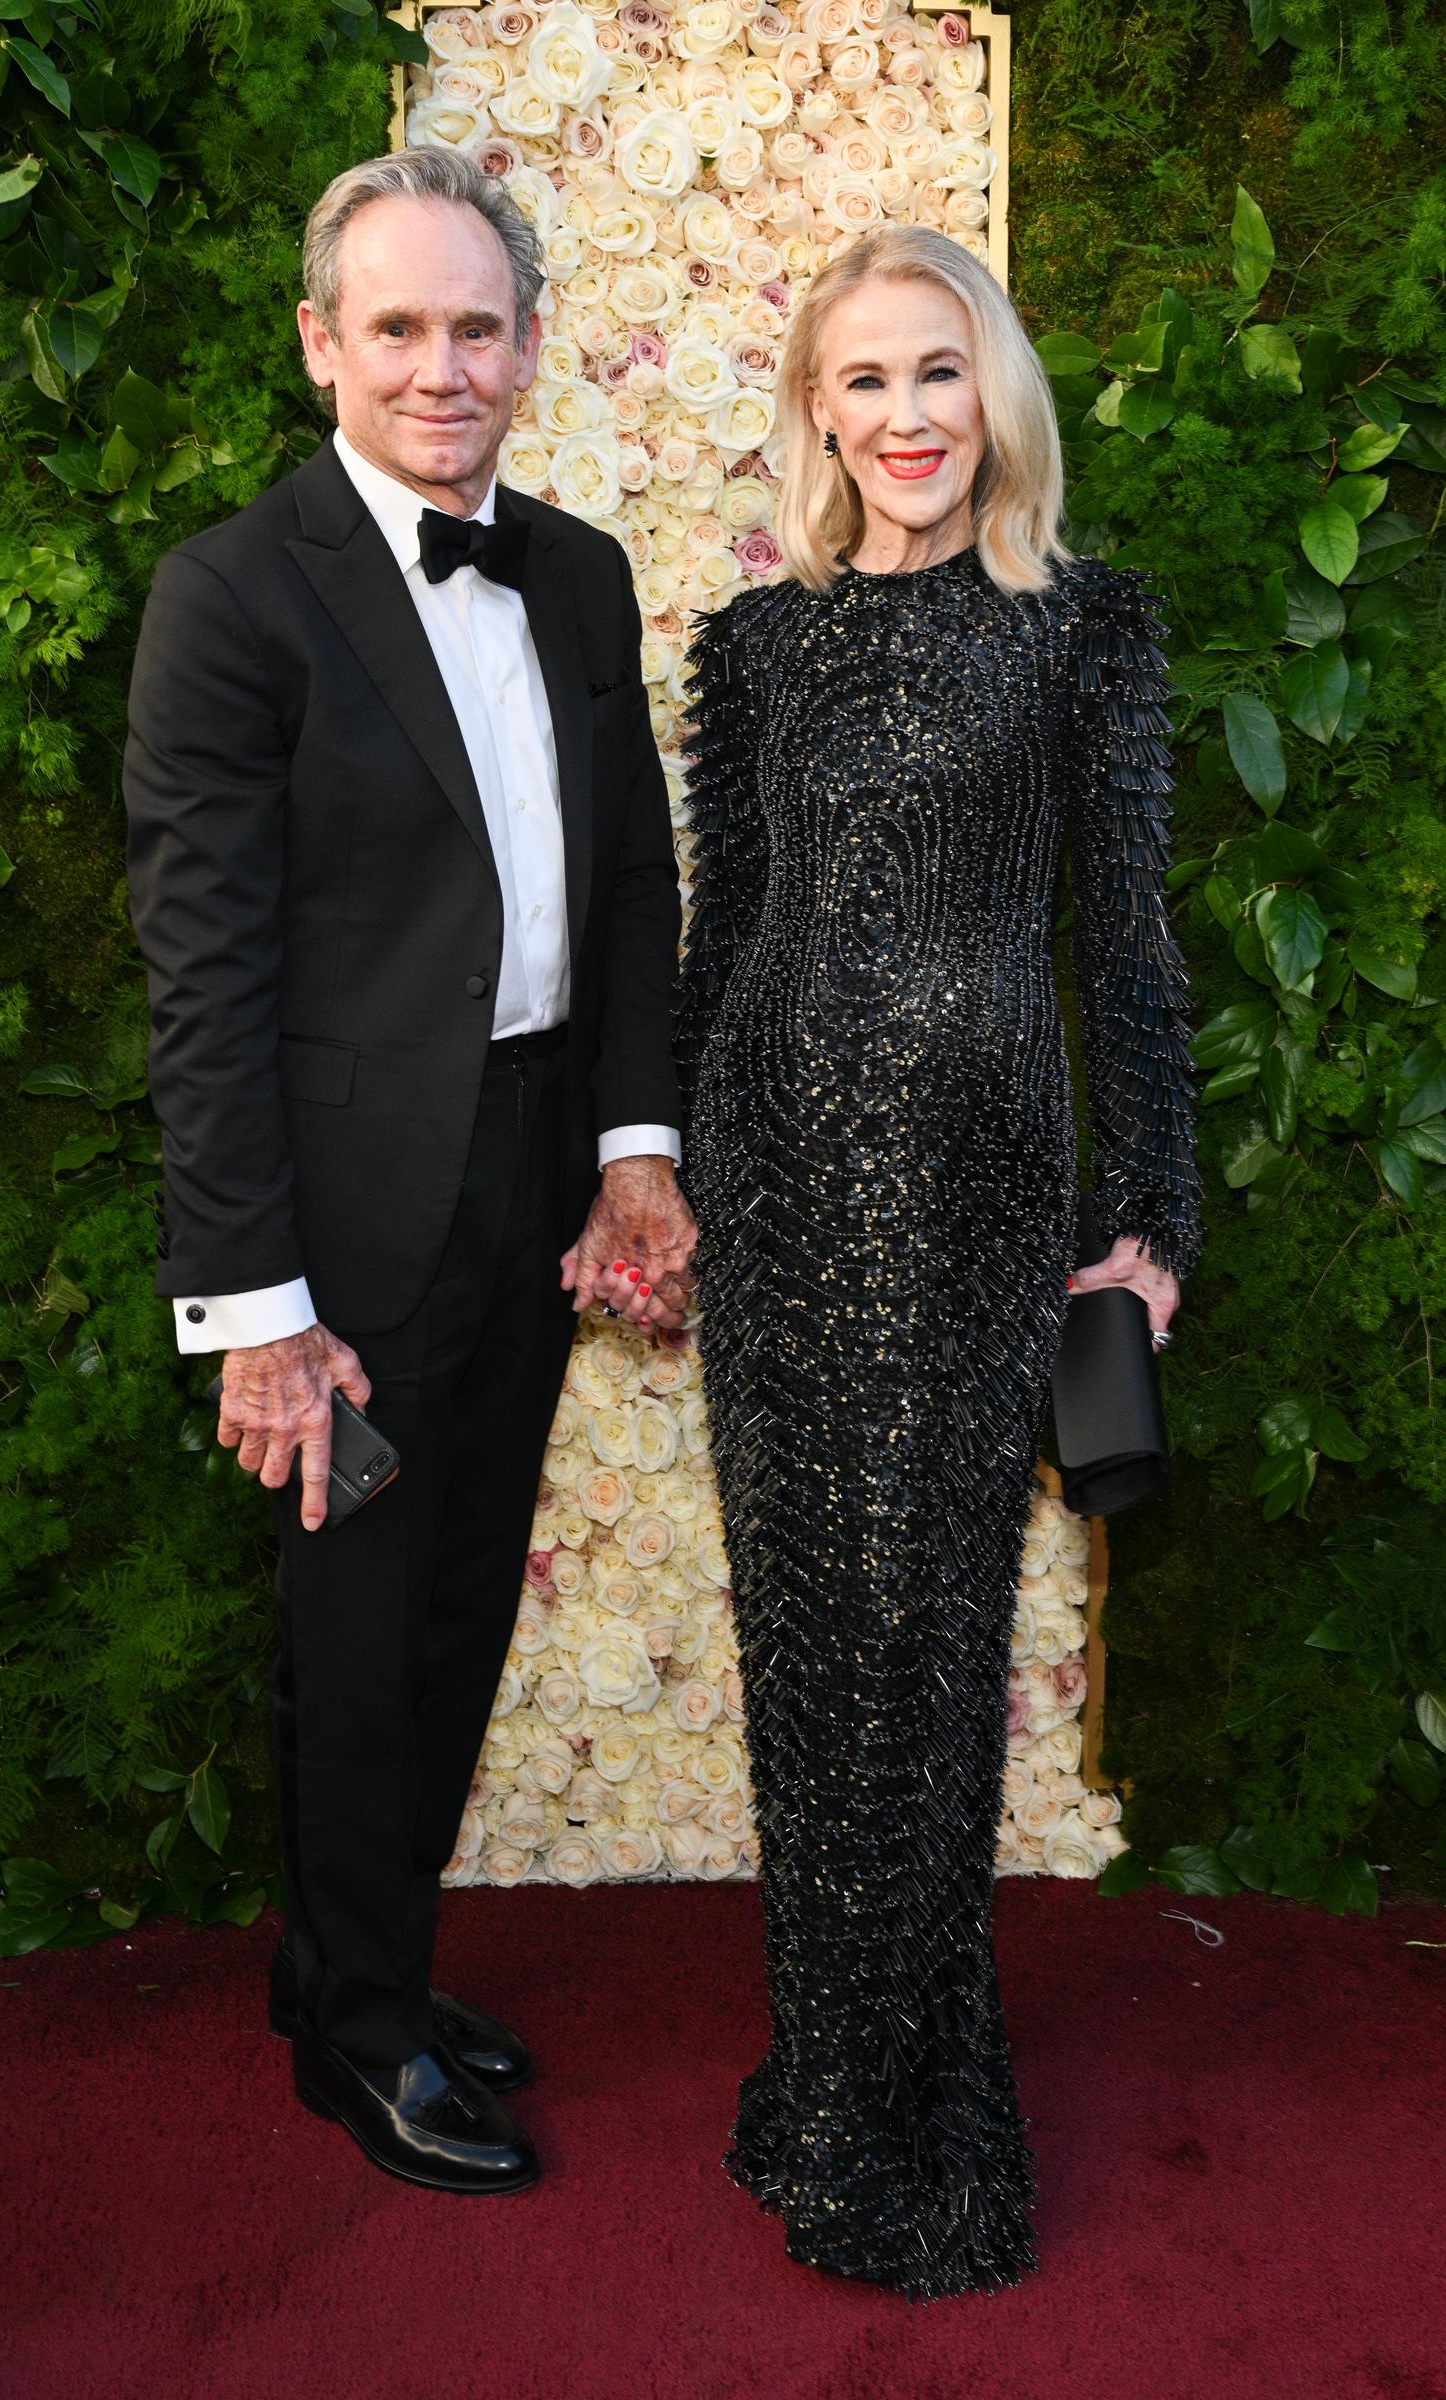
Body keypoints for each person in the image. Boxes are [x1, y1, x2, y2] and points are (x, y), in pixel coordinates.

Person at [123, 147, 696, 2197]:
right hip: (342, 1224)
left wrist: (635, 1144)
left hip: (535, 1167)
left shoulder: (578, 572)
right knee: (356, 1632)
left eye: (476, 327)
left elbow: (631, 895)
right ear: (319, 344)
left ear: (528, 343)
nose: (441, 367)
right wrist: (255, 1313)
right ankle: (357, 2036)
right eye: (397, 327)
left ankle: (347, 1968)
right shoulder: (231, 595)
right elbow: (208, 982)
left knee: (457, 1607)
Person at [676, 226, 1202, 2300]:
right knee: (807, 1661)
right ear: (816, 408)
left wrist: (1141, 1222)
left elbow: (1121, 948)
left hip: (981, 1193)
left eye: (935, 372)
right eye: (862, 379)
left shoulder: (1083, 632)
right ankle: (823, 2076)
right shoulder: (750, 649)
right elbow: (722, 943)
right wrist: (669, 1175)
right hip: (774, 1183)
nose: (902, 417)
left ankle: (922, 2127)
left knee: (923, 1656)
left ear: (994, 393)